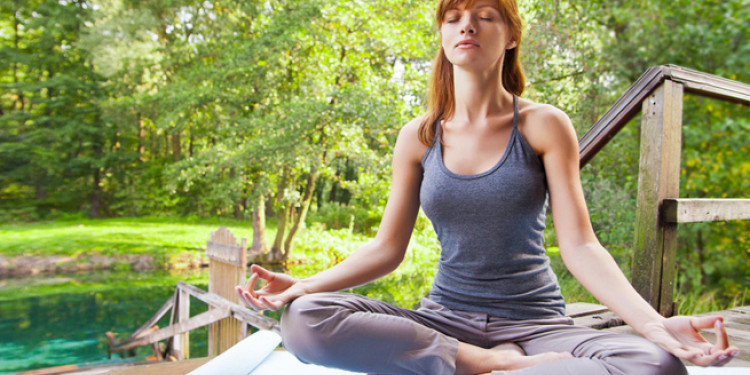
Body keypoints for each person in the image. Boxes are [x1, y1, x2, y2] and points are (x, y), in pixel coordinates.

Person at [236, 0, 740, 374]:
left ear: (511, 34)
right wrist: (303, 286)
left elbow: (581, 246)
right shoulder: (419, 136)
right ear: (442, 35)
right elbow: (386, 249)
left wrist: (653, 325)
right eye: (453, 17)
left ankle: (496, 362)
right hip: (444, 319)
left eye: (485, 15)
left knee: (656, 365)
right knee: (304, 320)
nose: (467, 26)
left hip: (537, 322)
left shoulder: (544, 125)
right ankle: (485, 363)